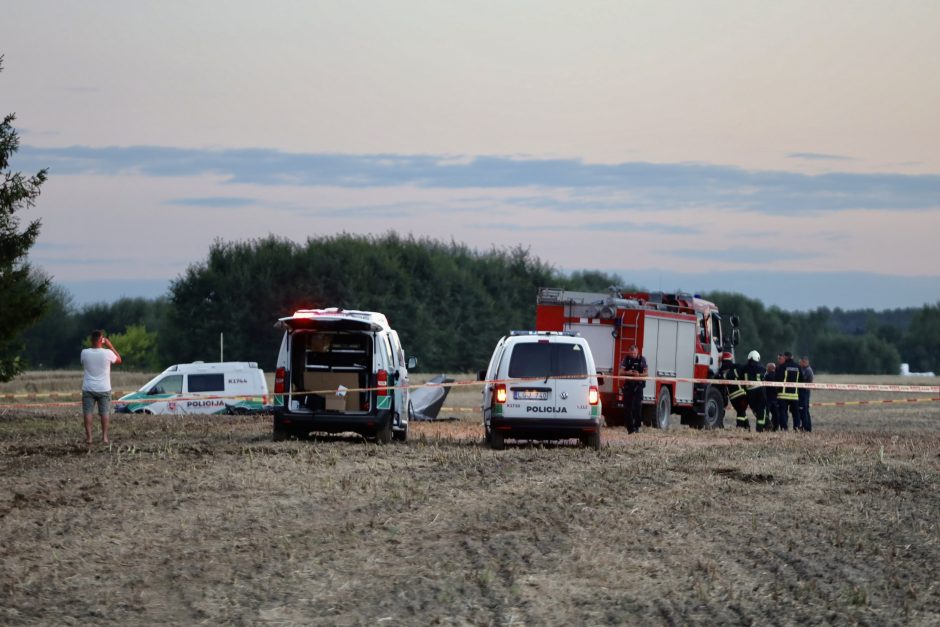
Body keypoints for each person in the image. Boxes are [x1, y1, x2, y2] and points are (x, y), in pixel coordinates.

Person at [80, 330, 122, 445]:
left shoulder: (84, 352)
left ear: (91, 340)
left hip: (88, 388)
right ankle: (104, 437)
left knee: (88, 412)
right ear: (101, 340)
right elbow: (119, 359)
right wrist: (110, 345)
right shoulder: (107, 353)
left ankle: (89, 438)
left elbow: (83, 362)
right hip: (104, 388)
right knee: (104, 413)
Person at [620, 344, 648, 434]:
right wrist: (627, 372)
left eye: (634, 353)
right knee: (627, 408)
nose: (633, 355)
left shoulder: (642, 359)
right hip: (628, 385)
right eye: (631, 353)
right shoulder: (626, 359)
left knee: (637, 406)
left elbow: (646, 373)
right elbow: (620, 372)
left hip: (638, 385)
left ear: (637, 352)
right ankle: (630, 429)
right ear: (629, 352)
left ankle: (637, 426)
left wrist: (639, 374)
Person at [720, 352, 749, 429]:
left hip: (732, 397)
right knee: (741, 412)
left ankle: (747, 427)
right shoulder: (737, 368)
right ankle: (739, 427)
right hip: (741, 395)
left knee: (741, 411)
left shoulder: (721, 372)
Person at [742, 350, 768, 431]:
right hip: (759, 392)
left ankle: (766, 424)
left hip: (749, 392)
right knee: (761, 411)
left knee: (755, 410)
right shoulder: (761, 368)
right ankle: (760, 429)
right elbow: (765, 376)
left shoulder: (744, 368)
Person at [777, 352, 801, 431]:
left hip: (783, 395)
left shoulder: (782, 366)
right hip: (794, 395)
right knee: (796, 413)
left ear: (786, 357)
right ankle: (796, 427)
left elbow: (778, 379)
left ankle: (784, 428)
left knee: (783, 412)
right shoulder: (798, 367)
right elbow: (802, 380)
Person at [799, 356, 814, 432]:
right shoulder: (804, 369)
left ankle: (806, 427)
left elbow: (802, 380)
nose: (799, 364)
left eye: (800, 362)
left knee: (804, 410)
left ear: (805, 362)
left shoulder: (808, 370)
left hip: (805, 392)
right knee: (805, 411)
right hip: (804, 392)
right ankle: (806, 427)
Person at [764, 362, 779, 431]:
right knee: (776, 414)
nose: (766, 368)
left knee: (766, 414)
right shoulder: (777, 376)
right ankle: (775, 428)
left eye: (767, 367)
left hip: (768, 398)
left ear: (770, 368)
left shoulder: (767, 376)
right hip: (776, 398)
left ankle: (767, 426)